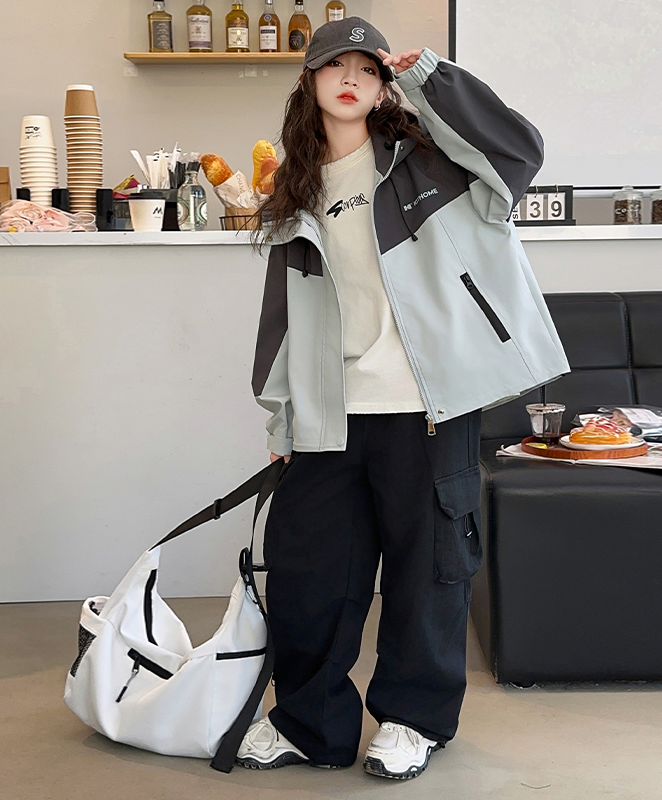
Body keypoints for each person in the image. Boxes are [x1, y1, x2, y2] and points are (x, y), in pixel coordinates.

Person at [237, 16, 569, 780]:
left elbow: (520, 152)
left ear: (384, 83)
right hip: (331, 412)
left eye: (366, 66)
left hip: (426, 406)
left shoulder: (428, 162)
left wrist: (433, 80)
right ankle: (310, 726)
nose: (350, 77)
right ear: (310, 82)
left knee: (428, 573)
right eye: (334, 65)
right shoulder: (297, 190)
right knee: (309, 574)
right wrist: (282, 417)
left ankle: (412, 720)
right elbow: (282, 320)